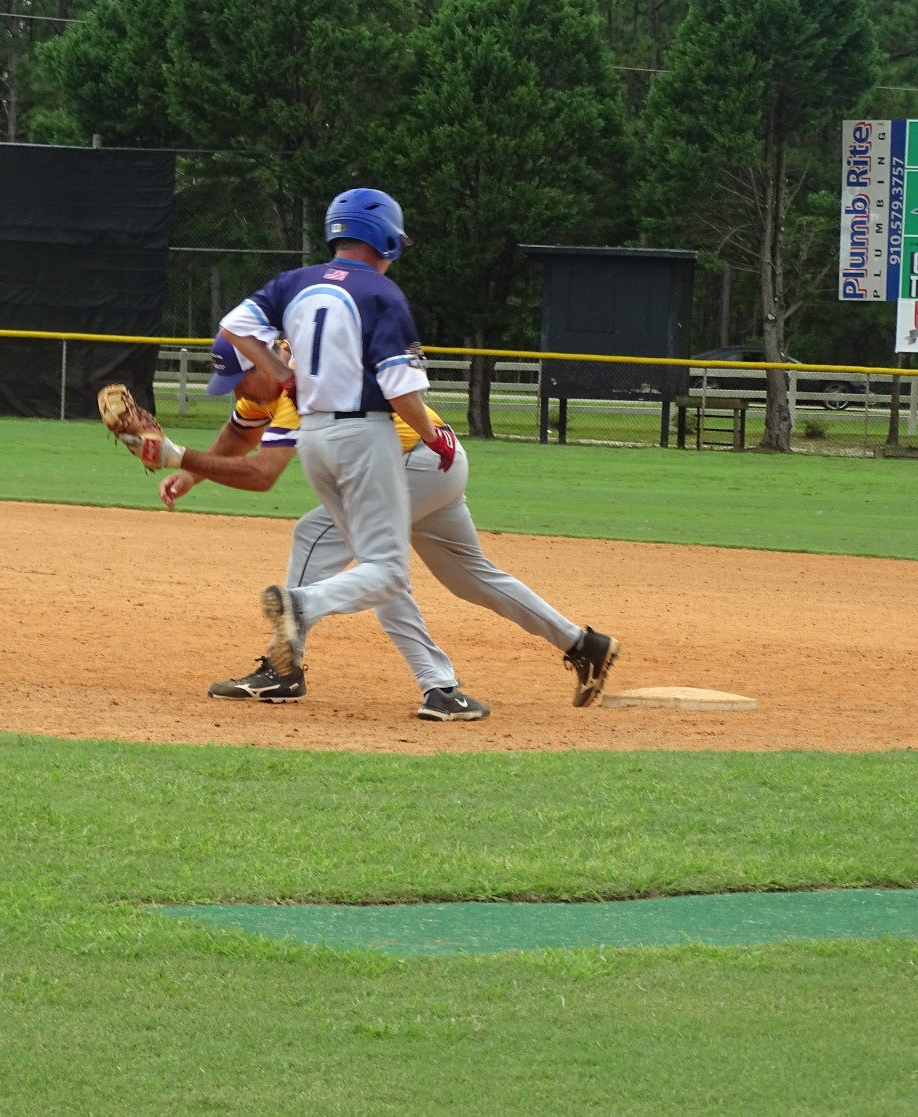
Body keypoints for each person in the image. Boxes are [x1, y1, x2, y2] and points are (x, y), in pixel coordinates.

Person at [155, 335, 619, 711]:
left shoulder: (304, 385)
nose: (238, 392)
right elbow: (240, 432)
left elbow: (263, 474)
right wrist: (191, 474)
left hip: (415, 462)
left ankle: (296, 666)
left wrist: (176, 455)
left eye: (241, 380)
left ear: (265, 361)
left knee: (337, 545)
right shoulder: (270, 383)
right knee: (470, 578)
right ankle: (583, 645)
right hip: (436, 462)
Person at [214, 187, 488, 721]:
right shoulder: (382, 293)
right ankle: (301, 605)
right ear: (387, 240)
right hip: (366, 435)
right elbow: (401, 390)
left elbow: (234, 328)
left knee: (363, 554)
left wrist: (282, 375)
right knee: (386, 570)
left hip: (315, 437)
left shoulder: (293, 282)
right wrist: (435, 438)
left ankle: (436, 686)